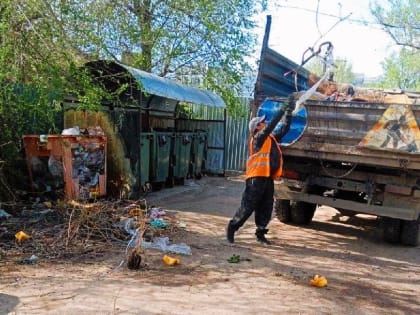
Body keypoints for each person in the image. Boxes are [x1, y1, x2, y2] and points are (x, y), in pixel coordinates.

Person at [226, 99, 293, 245]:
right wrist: (282, 109)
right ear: (257, 127)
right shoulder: (258, 138)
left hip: (267, 177)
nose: (265, 123)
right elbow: (272, 126)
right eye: (262, 122)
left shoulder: (271, 138)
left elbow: (284, 128)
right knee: (248, 206)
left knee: (266, 205)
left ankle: (260, 233)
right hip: (255, 178)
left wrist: (289, 113)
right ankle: (232, 227)